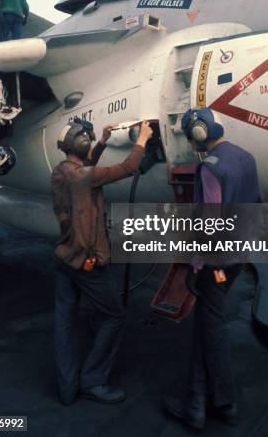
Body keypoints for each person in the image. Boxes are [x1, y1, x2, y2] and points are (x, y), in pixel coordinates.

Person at [163, 107, 261, 431]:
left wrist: (196, 265)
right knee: (206, 324)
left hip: (215, 263)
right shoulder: (247, 158)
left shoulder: (210, 168)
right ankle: (197, 404)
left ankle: (224, 401)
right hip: (236, 258)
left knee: (211, 329)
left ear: (198, 135)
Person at [51, 117, 153, 406]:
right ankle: (93, 380)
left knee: (64, 321)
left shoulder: (62, 171)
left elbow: (87, 169)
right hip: (86, 262)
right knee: (114, 316)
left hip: (64, 256)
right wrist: (142, 139)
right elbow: (129, 167)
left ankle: (67, 388)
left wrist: (104, 141)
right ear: (81, 144)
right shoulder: (84, 176)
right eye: (89, 140)